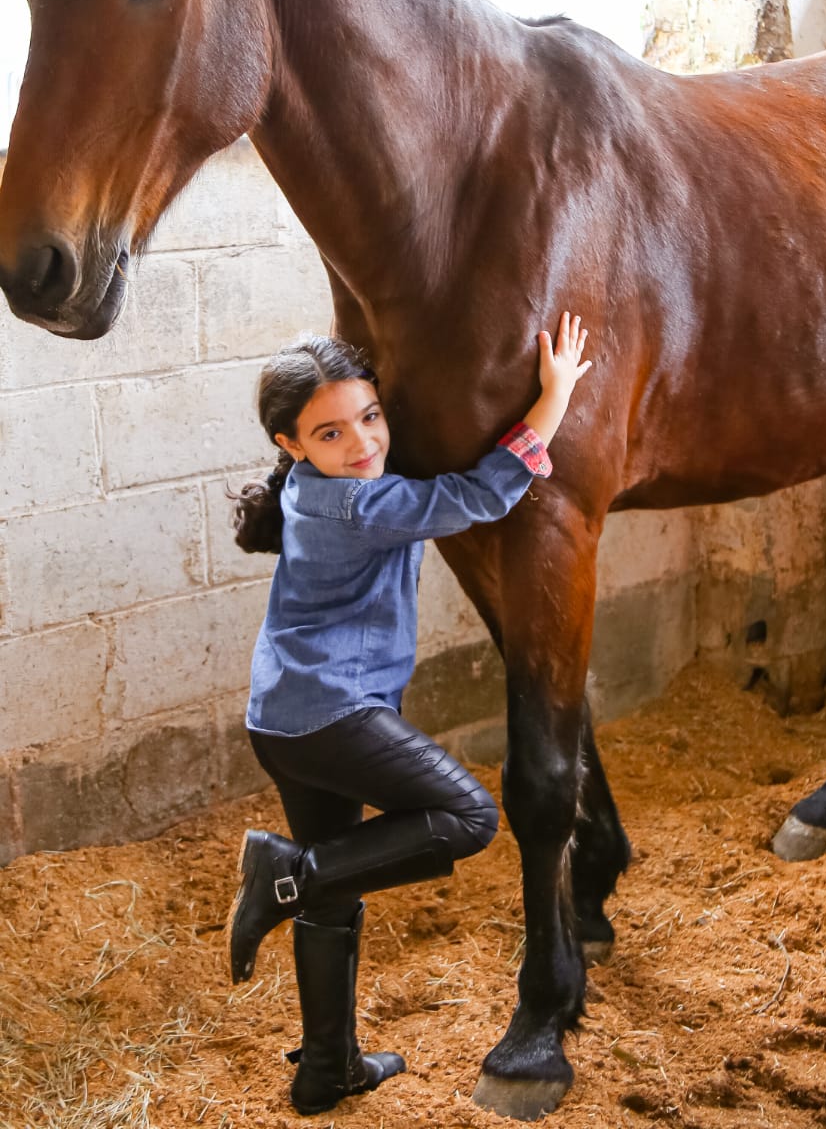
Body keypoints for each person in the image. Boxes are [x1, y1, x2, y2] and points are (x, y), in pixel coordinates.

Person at [227, 312, 591, 1116]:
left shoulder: (309, 491)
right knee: (467, 815)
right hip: (328, 715)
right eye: (331, 433)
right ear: (291, 446)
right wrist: (554, 397)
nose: (361, 444)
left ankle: (328, 1069)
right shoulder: (363, 505)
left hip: (281, 716)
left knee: (338, 888)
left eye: (370, 417)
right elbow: (478, 495)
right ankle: (287, 877)